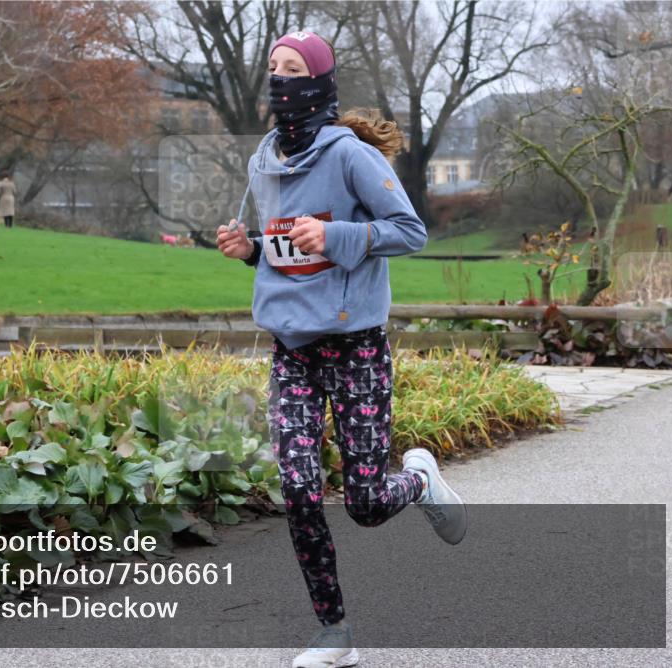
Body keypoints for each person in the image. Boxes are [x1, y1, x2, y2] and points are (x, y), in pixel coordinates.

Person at [216, 30, 467, 668]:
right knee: (297, 490)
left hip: (356, 348)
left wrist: (336, 234)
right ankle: (334, 634)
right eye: (272, 67)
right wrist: (251, 250)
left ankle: (419, 478)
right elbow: (286, 256)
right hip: (293, 351)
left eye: (292, 70)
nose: (279, 80)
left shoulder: (352, 155)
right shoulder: (264, 160)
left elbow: (410, 232)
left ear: (319, 84)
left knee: (364, 504)